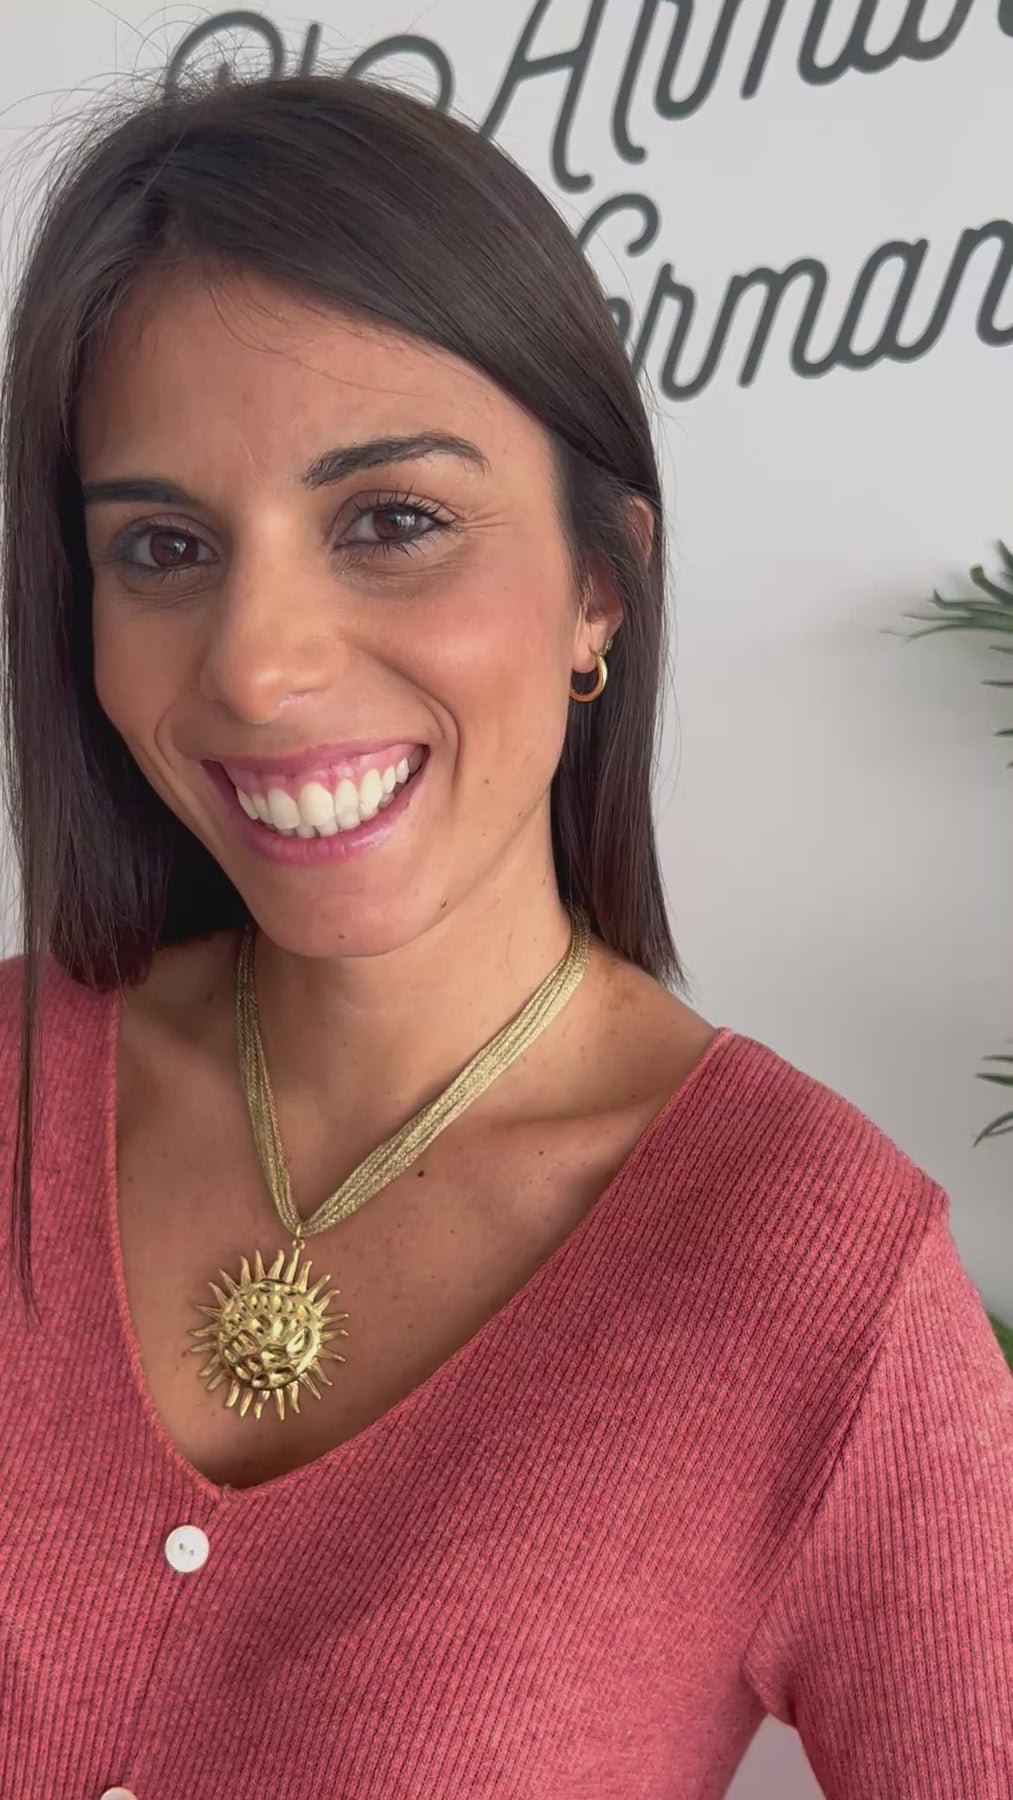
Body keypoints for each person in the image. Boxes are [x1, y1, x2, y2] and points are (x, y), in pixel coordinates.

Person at [0, 68, 1009, 1800]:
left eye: (390, 522)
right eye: (162, 547)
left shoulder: (814, 1281)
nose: (257, 664)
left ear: (599, 584)